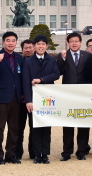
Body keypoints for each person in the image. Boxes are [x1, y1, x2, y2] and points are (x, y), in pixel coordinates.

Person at [21, 35, 60, 164]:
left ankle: (45, 154)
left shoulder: (51, 59)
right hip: (33, 99)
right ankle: (37, 154)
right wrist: (28, 101)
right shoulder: (28, 62)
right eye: (38, 44)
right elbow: (25, 82)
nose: (41, 46)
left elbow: (56, 74)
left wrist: (42, 79)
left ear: (47, 46)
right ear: (34, 46)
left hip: (48, 99)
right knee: (35, 127)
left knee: (46, 127)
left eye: (43, 44)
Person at [0, 32, 24, 165]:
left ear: (16, 43)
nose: (11, 43)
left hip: (16, 97)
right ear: (3, 42)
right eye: (8, 40)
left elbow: (21, 77)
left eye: (13, 40)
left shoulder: (19, 57)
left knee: (14, 128)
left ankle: (11, 154)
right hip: (0, 97)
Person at [57, 32, 91, 161]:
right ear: (68, 43)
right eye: (71, 41)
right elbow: (58, 72)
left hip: (83, 95)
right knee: (68, 124)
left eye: (76, 41)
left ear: (81, 42)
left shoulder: (87, 55)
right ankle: (67, 152)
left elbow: (91, 74)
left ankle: (81, 151)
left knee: (83, 124)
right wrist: (63, 59)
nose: (74, 43)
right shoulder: (63, 55)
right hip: (68, 95)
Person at [15, 39, 34, 161]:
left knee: (34, 127)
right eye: (25, 48)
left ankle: (33, 152)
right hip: (20, 100)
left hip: (35, 99)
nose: (28, 50)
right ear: (22, 49)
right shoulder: (18, 61)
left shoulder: (37, 62)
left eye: (30, 47)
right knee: (18, 128)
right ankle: (17, 152)